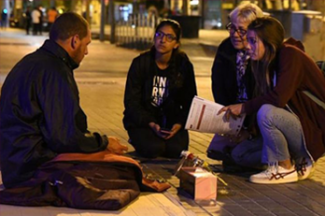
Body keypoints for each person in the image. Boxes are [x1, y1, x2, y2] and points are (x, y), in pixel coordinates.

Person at [0, 12, 128, 189]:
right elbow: (64, 138)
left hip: (14, 163)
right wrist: (103, 142)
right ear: (75, 41)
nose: (87, 52)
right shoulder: (55, 71)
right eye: (86, 44)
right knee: (116, 168)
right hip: (31, 168)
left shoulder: (31, 62)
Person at [219, 16, 325, 184]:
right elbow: (265, 99)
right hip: (294, 126)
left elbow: (278, 99)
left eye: (253, 41)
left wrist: (244, 107)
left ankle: (284, 167)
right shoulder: (266, 64)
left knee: (267, 112)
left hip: (314, 130)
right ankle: (296, 159)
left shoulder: (290, 55)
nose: (248, 46)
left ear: (269, 42)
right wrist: (249, 132)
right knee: (239, 154)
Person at [123, 19, 197, 159]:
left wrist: (179, 124)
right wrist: (150, 123)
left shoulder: (183, 66)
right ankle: (137, 139)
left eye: (169, 37)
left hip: (171, 122)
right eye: (159, 35)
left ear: (176, 44)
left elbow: (191, 101)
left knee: (176, 151)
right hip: (144, 121)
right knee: (153, 149)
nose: (163, 40)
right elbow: (131, 102)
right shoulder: (141, 63)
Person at [207, 2, 265, 171]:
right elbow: (218, 86)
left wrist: (250, 130)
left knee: (237, 156)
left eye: (242, 30)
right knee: (215, 150)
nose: (235, 34)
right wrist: (230, 122)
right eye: (232, 27)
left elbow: (265, 96)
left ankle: (273, 156)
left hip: (258, 119)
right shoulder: (226, 48)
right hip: (235, 117)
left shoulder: (262, 53)